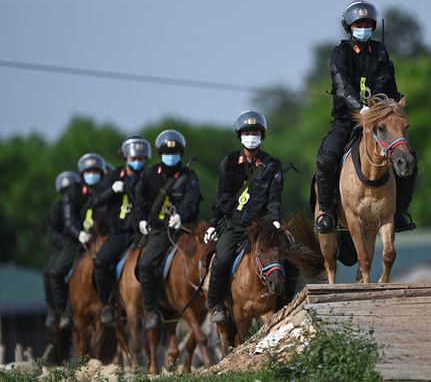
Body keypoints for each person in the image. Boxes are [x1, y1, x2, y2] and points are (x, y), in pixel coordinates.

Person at [314, 0, 418, 234]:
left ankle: (399, 212)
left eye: (368, 23)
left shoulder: (381, 52)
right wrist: (360, 109)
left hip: (381, 122)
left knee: (410, 159)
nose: (364, 27)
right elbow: (341, 86)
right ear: (349, 27)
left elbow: (391, 88)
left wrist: (394, 109)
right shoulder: (339, 53)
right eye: (358, 24)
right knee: (326, 160)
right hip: (349, 119)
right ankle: (327, 214)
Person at [205, 110, 291, 323]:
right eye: (247, 132)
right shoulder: (230, 162)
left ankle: (284, 301)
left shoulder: (272, 165)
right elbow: (222, 196)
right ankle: (216, 305)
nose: (251, 136)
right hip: (235, 226)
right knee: (222, 258)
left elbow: (274, 198)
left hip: (261, 227)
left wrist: (275, 219)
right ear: (239, 135)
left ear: (262, 135)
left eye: (255, 132)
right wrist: (213, 224)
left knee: (287, 252)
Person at [136, 129, 201, 330]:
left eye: (175, 152)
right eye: (166, 153)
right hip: (159, 231)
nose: (171, 156)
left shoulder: (189, 176)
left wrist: (181, 214)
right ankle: (152, 309)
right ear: (159, 154)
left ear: (181, 154)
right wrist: (141, 220)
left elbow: (192, 200)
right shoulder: (148, 175)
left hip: (184, 229)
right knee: (145, 264)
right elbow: (140, 200)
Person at [91, 135, 151, 326]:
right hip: (119, 232)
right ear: (125, 158)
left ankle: (158, 304)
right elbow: (95, 201)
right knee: (100, 262)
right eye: (133, 159)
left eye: (141, 159)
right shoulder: (113, 177)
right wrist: (111, 191)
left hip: (142, 232)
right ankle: (108, 304)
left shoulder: (150, 176)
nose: (137, 162)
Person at [50, 153, 106, 329]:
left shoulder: (106, 190)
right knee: (57, 272)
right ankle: (64, 312)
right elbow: (69, 220)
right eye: (89, 171)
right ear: (82, 173)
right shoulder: (73, 194)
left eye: (95, 171)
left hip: (101, 239)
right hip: (76, 242)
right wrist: (78, 234)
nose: (92, 174)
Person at [43, 170, 81, 329]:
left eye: (71, 189)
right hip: (65, 246)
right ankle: (54, 309)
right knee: (48, 271)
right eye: (65, 190)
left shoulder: (81, 204)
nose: (68, 193)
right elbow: (52, 231)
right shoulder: (57, 208)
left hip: (82, 243)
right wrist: (64, 242)